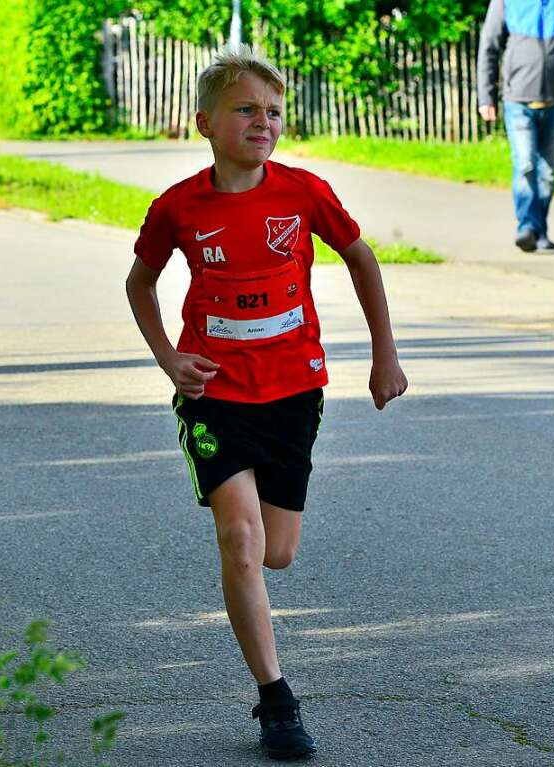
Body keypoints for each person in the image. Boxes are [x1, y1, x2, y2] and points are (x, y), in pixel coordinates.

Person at [125, 45, 407, 761]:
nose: (264, 121)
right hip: (214, 395)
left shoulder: (303, 192)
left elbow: (362, 257)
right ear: (205, 123)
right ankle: (276, 701)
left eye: (274, 111)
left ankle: (267, 652)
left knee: (277, 552)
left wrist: (385, 355)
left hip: (294, 393)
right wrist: (168, 356)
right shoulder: (180, 207)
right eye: (246, 109)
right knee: (242, 541)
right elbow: (141, 282)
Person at [478, 0, 554, 252]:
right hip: (518, 100)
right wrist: (485, 97)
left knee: (548, 173)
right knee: (525, 164)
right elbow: (489, 46)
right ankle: (526, 227)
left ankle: (539, 230)